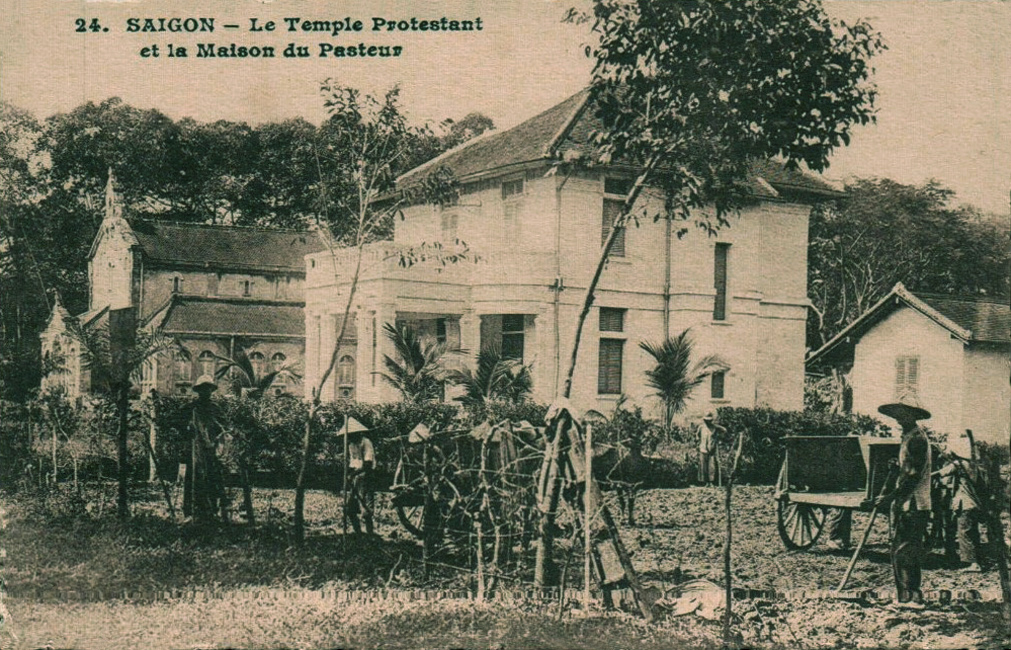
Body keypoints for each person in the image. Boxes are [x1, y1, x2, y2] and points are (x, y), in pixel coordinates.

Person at [875, 393, 932, 610]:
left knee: (905, 551)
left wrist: (888, 498)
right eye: (897, 413)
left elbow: (912, 476)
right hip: (908, 503)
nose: (899, 417)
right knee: (901, 549)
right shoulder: (909, 436)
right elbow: (907, 468)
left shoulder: (917, 439)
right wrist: (897, 466)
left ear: (913, 415)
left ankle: (912, 598)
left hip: (913, 503)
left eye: (903, 413)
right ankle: (905, 597)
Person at [185, 375, 228, 523]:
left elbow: (224, 425)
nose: (206, 392)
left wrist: (219, 436)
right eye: (203, 389)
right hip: (195, 449)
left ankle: (212, 511)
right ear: (199, 391)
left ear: (211, 391)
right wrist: (187, 428)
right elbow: (175, 420)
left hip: (212, 449)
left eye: (208, 389)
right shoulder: (192, 407)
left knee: (213, 477)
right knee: (194, 477)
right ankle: (192, 510)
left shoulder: (215, 408)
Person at [937, 454, 984, 572]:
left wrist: (923, 475)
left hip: (965, 504)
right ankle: (977, 560)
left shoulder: (959, 464)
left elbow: (942, 473)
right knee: (973, 533)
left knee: (964, 533)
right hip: (974, 504)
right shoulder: (974, 466)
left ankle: (973, 563)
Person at [340, 416, 376, 535]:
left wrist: (353, 474)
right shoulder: (351, 444)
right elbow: (353, 462)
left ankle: (370, 534)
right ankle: (358, 534)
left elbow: (367, 464)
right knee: (349, 509)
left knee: (366, 510)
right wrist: (349, 475)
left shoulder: (366, 442)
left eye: (352, 434)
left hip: (367, 477)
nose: (350, 437)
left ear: (358, 433)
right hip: (356, 478)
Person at [697, 412, 724, 487]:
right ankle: (706, 482)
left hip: (711, 449)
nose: (707, 422)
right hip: (703, 449)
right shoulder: (701, 427)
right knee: (703, 467)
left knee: (711, 467)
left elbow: (724, 430)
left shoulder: (714, 427)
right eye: (706, 420)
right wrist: (700, 442)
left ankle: (711, 482)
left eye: (709, 420)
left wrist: (718, 438)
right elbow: (697, 435)